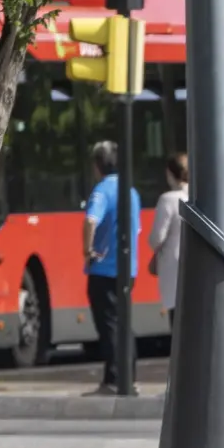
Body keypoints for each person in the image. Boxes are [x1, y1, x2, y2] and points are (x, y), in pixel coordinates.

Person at [82, 140, 141, 395]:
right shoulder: (132, 191)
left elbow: (90, 220)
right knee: (123, 322)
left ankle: (114, 379)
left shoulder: (101, 191)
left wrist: (87, 250)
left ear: (97, 165)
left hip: (104, 268)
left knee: (108, 325)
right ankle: (128, 377)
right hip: (129, 268)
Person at [148, 153, 188, 331]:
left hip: (174, 267)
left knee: (178, 321)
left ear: (170, 174)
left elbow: (157, 238)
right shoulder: (199, 194)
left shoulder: (168, 199)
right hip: (197, 266)